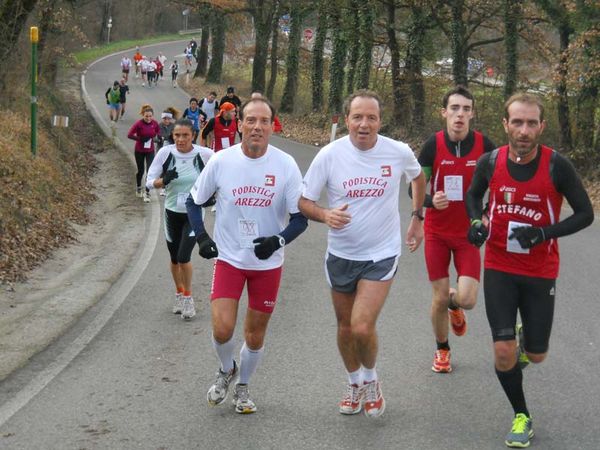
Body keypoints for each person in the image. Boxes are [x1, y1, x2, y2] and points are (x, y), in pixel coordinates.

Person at [465, 93, 594, 448]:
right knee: (503, 352)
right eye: (517, 122)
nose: (524, 130)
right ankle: (522, 415)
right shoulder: (491, 162)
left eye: (531, 123)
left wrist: (543, 233)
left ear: (541, 126)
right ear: (505, 124)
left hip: (540, 270)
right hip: (499, 267)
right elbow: (473, 197)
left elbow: (586, 214)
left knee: (536, 354)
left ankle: (526, 344)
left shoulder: (557, 166)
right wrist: (476, 220)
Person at [298, 90, 426, 418]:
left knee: (361, 327)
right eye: (358, 117)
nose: (364, 124)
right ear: (348, 120)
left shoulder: (397, 152)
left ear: (380, 121)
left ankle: (371, 379)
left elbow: (418, 177)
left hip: (381, 253)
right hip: (341, 254)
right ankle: (354, 382)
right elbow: (304, 201)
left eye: (371, 117)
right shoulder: (329, 155)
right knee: (344, 327)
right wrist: (325, 215)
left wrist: (417, 217)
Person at [186, 97, 308, 414]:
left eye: (263, 121)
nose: (257, 127)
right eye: (250, 120)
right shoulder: (221, 161)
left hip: (267, 265)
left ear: (272, 126)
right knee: (222, 329)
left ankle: (243, 387)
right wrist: (201, 237)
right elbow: (192, 201)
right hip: (229, 259)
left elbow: (300, 218)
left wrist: (278, 240)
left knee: (254, 336)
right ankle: (227, 369)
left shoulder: (286, 165)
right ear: (239, 124)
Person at [417, 86, 496, 374]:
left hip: (467, 234)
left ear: (472, 114)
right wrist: (428, 200)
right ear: (444, 112)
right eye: (454, 108)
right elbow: (414, 187)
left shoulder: (486, 146)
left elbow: (498, 188)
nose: (459, 114)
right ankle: (442, 349)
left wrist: (486, 216)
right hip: (437, 232)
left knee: (468, 299)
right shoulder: (432, 145)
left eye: (465, 109)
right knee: (437, 297)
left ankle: (455, 305)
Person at [146, 118, 214, 320]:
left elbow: (221, 176)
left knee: (184, 256)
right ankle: (179, 292)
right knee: (175, 258)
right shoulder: (166, 153)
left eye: (185, 135)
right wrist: (163, 181)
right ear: (172, 136)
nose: (181, 139)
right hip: (171, 212)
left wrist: (212, 195)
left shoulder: (206, 155)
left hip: (193, 214)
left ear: (193, 135)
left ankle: (188, 297)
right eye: (177, 135)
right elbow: (149, 182)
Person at [127, 104, 161, 203]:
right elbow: (129, 135)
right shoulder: (138, 124)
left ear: (153, 115)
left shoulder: (154, 123)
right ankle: (138, 187)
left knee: (150, 171)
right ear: (143, 115)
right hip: (139, 150)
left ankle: (147, 192)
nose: (148, 118)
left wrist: (157, 138)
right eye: (146, 116)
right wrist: (140, 139)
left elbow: (158, 132)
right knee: (141, 170)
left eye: (150, 116)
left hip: (150, 150)